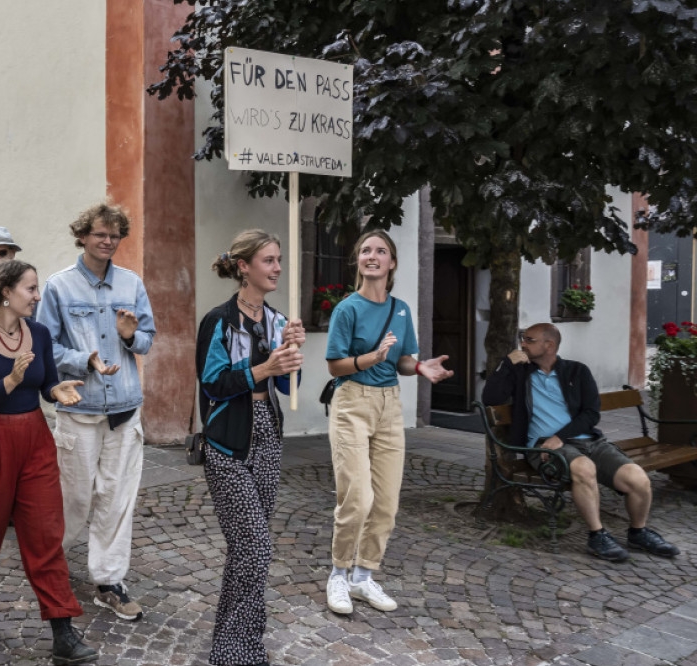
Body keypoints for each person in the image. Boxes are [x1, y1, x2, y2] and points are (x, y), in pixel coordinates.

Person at [0, 260, 98, 664]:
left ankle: (63, 629)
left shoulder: (39, 333)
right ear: (6, 292)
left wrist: (58, 390)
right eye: (31, 289)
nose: (37, 296)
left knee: (44, 532)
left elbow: (47, 382)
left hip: (35, 439)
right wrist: (10, 382)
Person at [35, 203, 156, 621]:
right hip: (79, 409)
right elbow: (44, 347)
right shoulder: (58, 287)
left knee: (117, 498)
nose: (108, 241)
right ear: (83, 236)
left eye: (115, 235)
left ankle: (109, 581)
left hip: (124, 410)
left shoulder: (132, 283)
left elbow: (146, 341)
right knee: (75, 496)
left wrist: (130, 334)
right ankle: (50, 558)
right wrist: (84, 359)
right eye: (100, 234)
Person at [324, 230, 453, 616]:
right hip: (353, 403)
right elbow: (334, 365)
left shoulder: (401, 308)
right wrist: (370, 358)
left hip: (390, 406)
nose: (372, 255)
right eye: (365, 250)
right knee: (357, 498)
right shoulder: (346, 309)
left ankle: (363, 576)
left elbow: (400, 360)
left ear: (392, 263)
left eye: (381, 251)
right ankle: (338, 574)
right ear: (358, 261)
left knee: (386, 503)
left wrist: (419, 366)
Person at [195, 230, 305, 666]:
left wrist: (294, 352)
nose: (277, 268)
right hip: (228, 441)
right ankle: (237, 650)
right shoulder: (218, 321)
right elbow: (213, 384)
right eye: (268, 260)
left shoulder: (277, 321)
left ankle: (237, 641)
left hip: (267, 434)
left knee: (245, 549)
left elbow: (286, 385)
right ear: (244, 267)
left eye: (279, 260)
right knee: (255, 545)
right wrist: (264, 365)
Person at [482, 323, 679, 561]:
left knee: (637, 478)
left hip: (587, 442)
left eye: (529, 339)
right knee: (583, 468)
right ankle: (597, 535)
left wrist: (560, 437)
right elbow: (490, 398)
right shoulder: (520, 373)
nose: (523, 343)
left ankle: (638, 532)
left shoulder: (577, 371)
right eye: (523, 339)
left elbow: (591, 414)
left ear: (549, 345)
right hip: (541, 447)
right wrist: (506, 363)